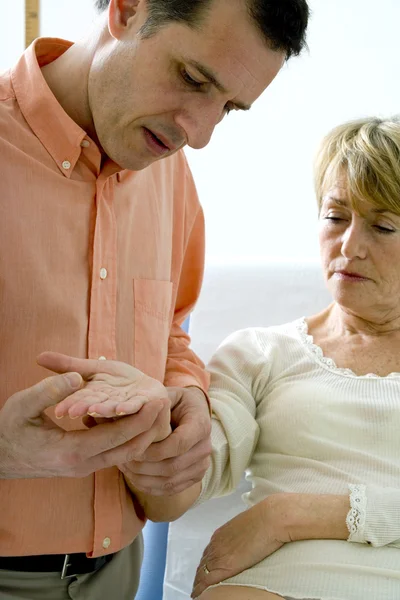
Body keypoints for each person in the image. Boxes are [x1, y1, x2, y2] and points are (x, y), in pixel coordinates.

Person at [0, 0, 309, 598]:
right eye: (194, 80)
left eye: (229, 109)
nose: (199, 134)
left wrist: (187, 397)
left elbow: (168, 331)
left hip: (119, 574)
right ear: (128, 9)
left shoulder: (171, 175)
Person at [78, 115, 400, 600]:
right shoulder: (261, 352)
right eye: (336, 217)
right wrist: (146, 430)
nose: (350, 247)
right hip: (267, 584)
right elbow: (184, 484)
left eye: (383, 226)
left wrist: (287, 516)